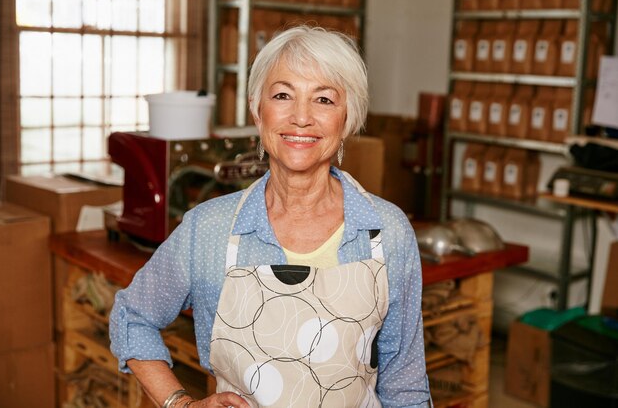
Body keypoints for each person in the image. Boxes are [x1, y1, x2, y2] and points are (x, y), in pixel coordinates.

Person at [110, 25, 431, 408]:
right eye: (282, 95)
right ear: (257, 111)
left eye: (324, 100)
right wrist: (180, 403)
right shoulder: (209, 229)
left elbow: (405, 382)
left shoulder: (387, 231)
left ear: (348, 118)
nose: (301, 117)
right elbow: (132, 316)